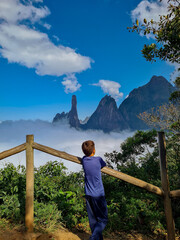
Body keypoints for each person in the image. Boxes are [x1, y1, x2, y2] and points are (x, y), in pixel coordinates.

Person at [81, 140, 108, 240]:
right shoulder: (98, 160)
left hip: (88, 194)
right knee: (103, 220)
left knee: (93, 221)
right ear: (94, 150)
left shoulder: (84, 160)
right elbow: (103, 165)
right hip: (98, 195)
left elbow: (86, 157)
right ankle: (93, 238)